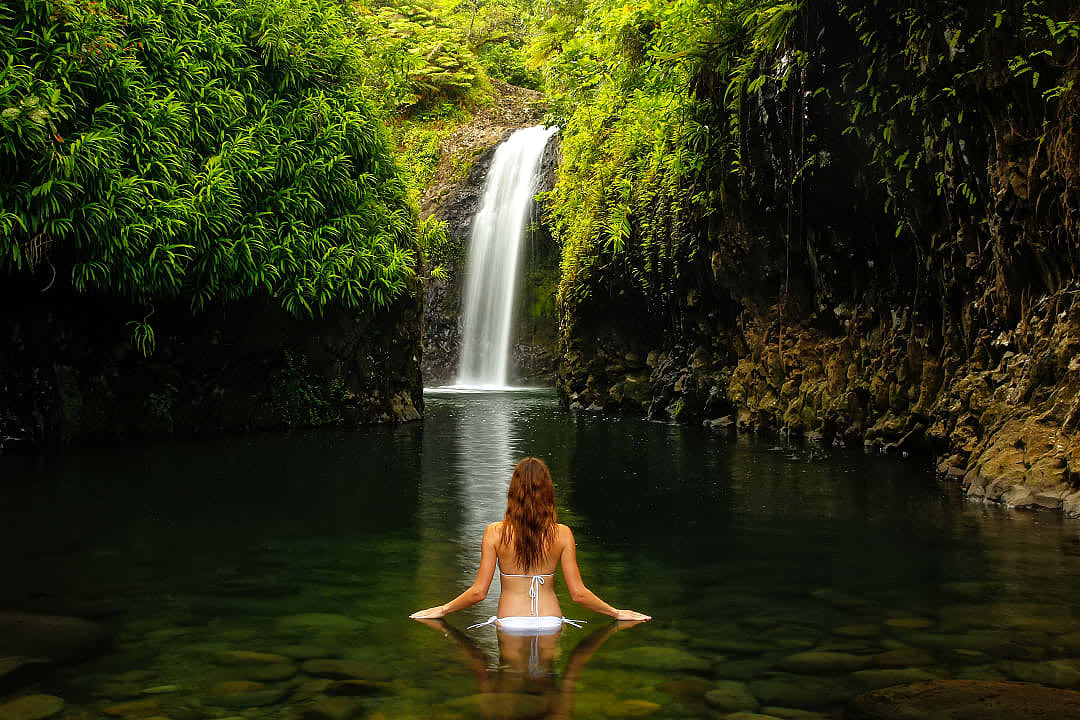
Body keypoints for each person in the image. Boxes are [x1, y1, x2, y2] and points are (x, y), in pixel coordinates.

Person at [409, 456, 651, 631]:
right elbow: (578, 594)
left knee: (510, 688)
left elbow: (479, 593)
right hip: (550, 622)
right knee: (547, 686)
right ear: (548, 492)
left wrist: (443, 609)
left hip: (510, 622)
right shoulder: (563, 534)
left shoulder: (494, 533)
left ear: (513, 491)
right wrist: (616, 613)